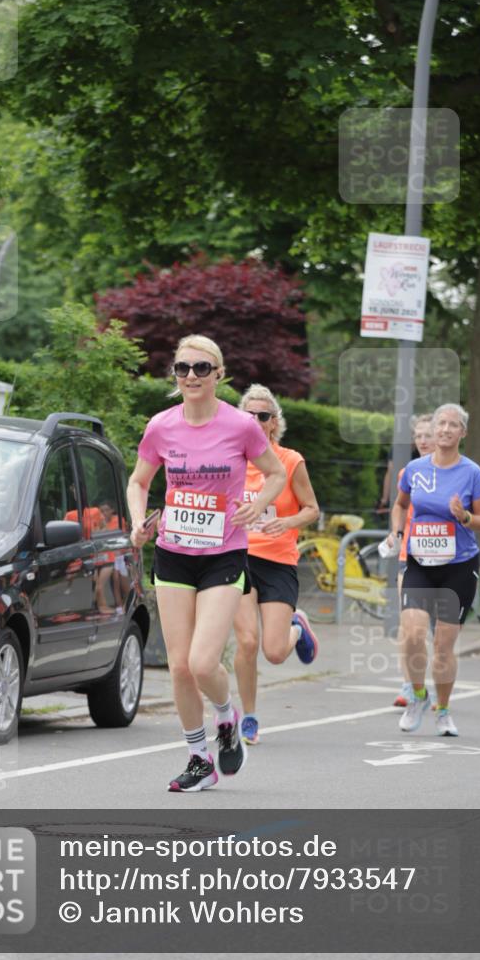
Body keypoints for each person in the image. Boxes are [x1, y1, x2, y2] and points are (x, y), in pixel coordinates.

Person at [127, 335, 286, 791]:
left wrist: (257, 508)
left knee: (202, 663)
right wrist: (140, 522)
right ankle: (199, 758)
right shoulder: (161, 425)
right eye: (182, 368)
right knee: (178, 667)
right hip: (174, 553)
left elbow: (274, 473)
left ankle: (226, 716)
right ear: (174, 375)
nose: (191, 376)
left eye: (201, 368)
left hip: (224, 554)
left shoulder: (241, 426)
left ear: (219, 374)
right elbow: (139, 482)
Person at [385, 403, 480, 737]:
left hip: (458, 566)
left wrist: (464, 516)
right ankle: (418, 694)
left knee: (443, 645)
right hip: (419, 562)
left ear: (463, 432)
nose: (445, 430)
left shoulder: (472, 472)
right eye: (441, 423)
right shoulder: (415, 468)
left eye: (453, 425)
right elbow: (400, 504)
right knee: (413, 632)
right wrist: (397, 530)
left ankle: (443, 710)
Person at [233, 385, 321, 745]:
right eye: (249, 415)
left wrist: (286, 523)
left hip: (278, 561)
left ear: (274, 423)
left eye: (264, 416)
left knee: (273, 651)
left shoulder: (289, 461)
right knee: (247, 641)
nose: (256, 421)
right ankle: (249, 716)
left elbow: (312, 509)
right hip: (237, 558)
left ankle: (297, 627)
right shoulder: (231, 460)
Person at [392, 414, 435, 708]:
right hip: (411, 556)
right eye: (418, 435)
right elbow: (400, 508)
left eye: (427, 435)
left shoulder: (457, 471)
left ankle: (440, 686)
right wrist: (395, 534)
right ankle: (409, 685)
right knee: (408, 625)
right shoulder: (408, 472)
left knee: (439, 630)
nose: (421, 440)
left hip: (446, 560)